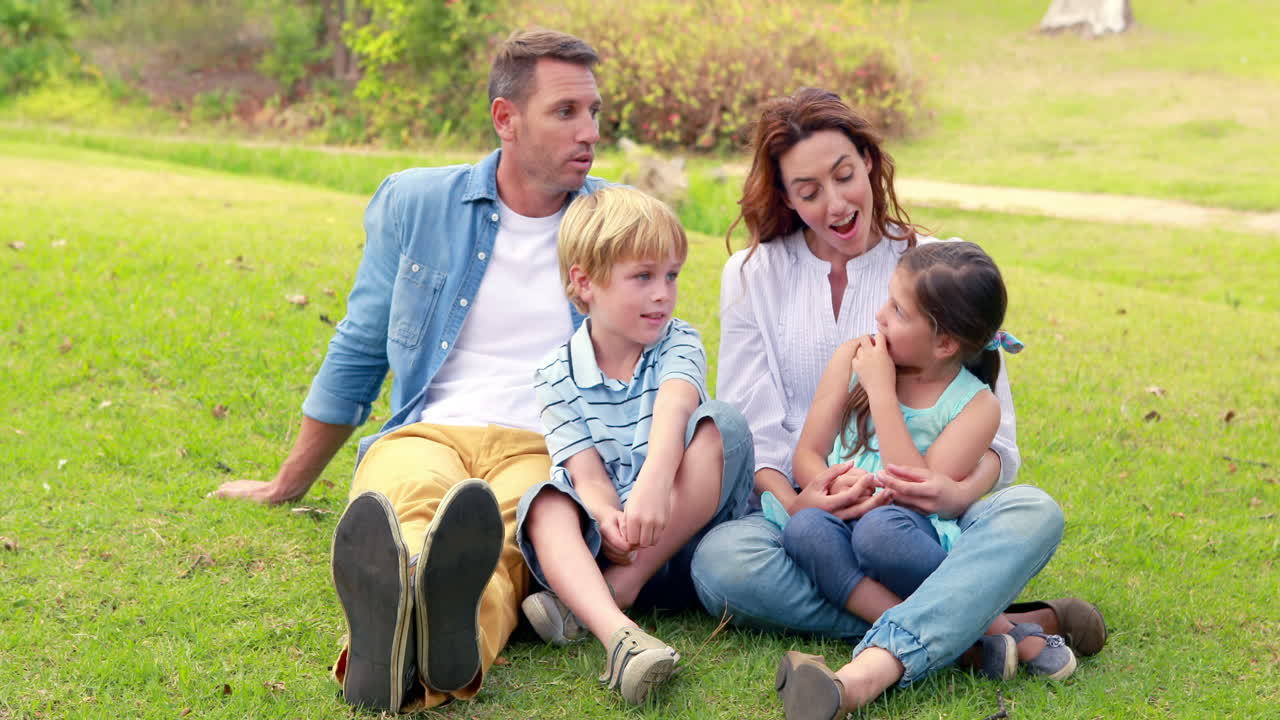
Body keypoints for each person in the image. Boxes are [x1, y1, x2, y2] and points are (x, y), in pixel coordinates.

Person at [211, 30, 611, 713]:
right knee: (398, 520)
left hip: (546, 446)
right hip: (427, 431)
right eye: (566, 112)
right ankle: (414, 640)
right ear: (505, 120)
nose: (590, 132)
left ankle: (395, 661)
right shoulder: (416, 203)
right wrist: (289, 483)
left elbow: (658, 362)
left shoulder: (615, 219)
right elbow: (362, 346)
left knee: (500, 551)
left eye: (595, 112)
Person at [687, 89, 1107, 718]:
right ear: (784, 197)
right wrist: (805, 499)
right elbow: (761, 434)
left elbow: (996, 443)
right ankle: (991, 629)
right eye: (807, 191)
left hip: (925, 519)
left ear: (869, 161)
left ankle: (905, 644)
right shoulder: (750, 274)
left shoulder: (938, 265)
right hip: (808, 512)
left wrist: (955, 495)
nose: (835, 203)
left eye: (845, 175)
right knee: (720, 565)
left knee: (1034, 511)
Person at [779, 242, 1075, 718]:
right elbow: (808, 455)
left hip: (903, 532)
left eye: (898, 310)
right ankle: (991, 632)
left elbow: (911, 489)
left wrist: (880, 391)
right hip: (841, 518)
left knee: (880, 533)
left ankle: (953, 638)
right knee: (802, 529)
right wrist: (826, 491)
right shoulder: (851, 357)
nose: (879, 316)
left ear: (944, 343)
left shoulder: (977, 406)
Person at [513, 186, 753, 704]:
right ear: (585, 283)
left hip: (685, 538)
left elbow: (674, 412)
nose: (662, 293)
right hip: (613, 541)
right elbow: (587, 473)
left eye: (671, 275)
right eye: (642, 276)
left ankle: (614, 593)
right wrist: (604, 517)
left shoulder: (677, 340)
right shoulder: (555, 374)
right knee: (544, 501)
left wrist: (651, 487)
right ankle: (618, 634)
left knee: (723, 426)